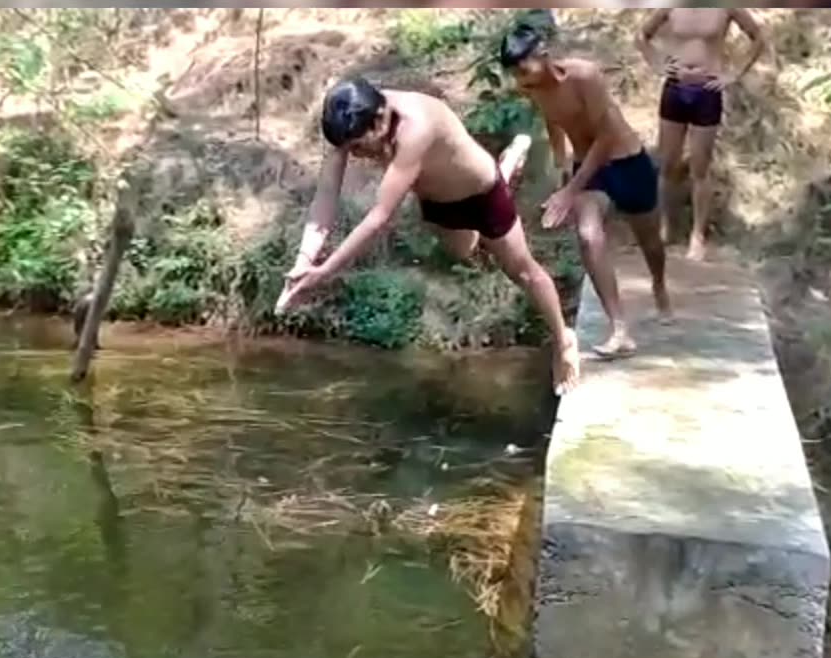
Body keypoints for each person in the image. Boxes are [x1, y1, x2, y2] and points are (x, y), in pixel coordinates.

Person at [275, 76, 580, 395]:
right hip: (436, 202)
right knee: (466, 252)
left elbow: (378, 217)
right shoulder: (346, 117)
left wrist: (323, 272)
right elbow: (325, 196)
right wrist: (303, 262)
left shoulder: (415, 126)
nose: (358, 156)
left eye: (359, 148)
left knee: (522, 271)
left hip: (482, 193)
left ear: (379, 119)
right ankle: (508, 166)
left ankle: (564, 340)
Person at [500, 22, 671, 360]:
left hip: (627, 161)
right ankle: (619, 329)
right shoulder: (532, 87)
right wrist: (561, 164)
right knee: (589, 235)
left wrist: (570, 190)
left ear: (543, 54)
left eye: (524, 69)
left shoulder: (585, 76)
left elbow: (606, 137)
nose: (521, 81)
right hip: (588, 170)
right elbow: (553, 120)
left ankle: (660, 284)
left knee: (650, 241)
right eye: (515, 75)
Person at [637, 9, 766, 261]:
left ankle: (697, 236)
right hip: (675, 88)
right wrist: (657, 63)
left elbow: (758, 37)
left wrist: (733, 74)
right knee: (667, 164)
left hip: (707, 90)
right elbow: (642, 35)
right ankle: (664, 227)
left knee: (700, 166)